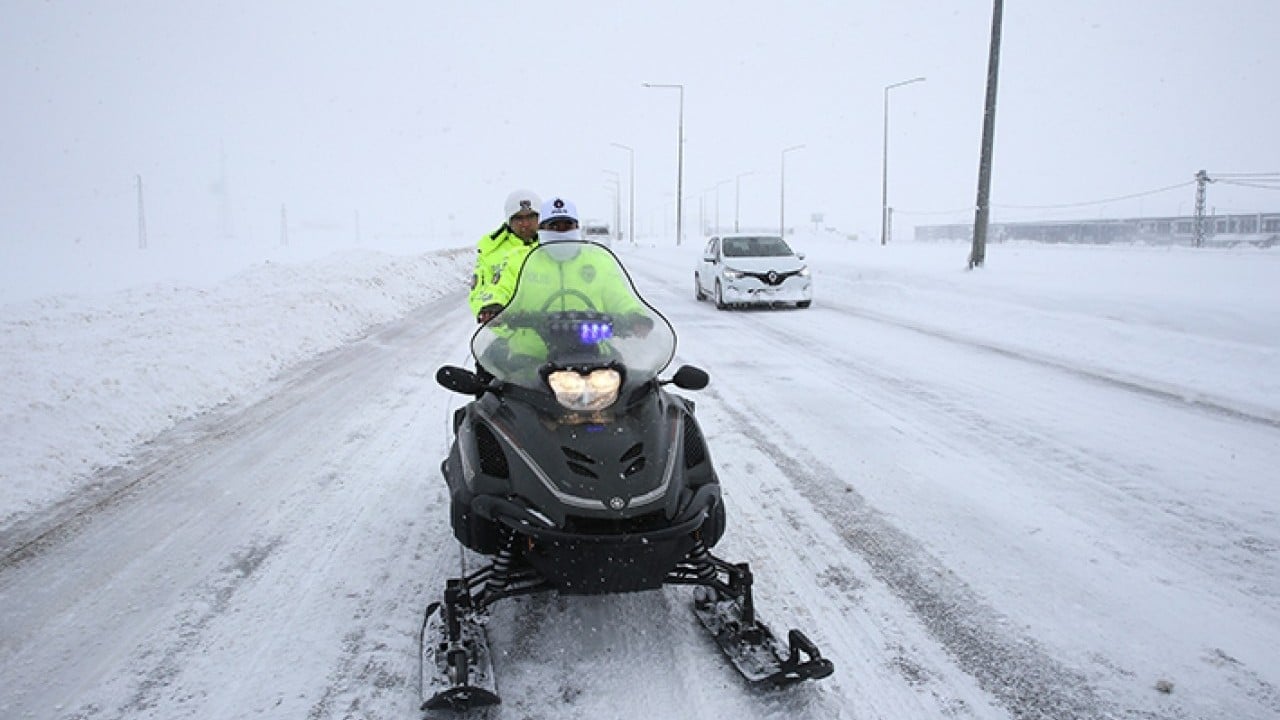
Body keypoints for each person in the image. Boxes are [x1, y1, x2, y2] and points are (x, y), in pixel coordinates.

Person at [468, 189, 541, 324]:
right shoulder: (491, 252)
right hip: (510, 332)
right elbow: (478, 293)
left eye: (531, 217)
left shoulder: (552, 247)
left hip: (553, 328)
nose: (525, 223)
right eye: (519, 218)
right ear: (509, 220)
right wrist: (490, 307)